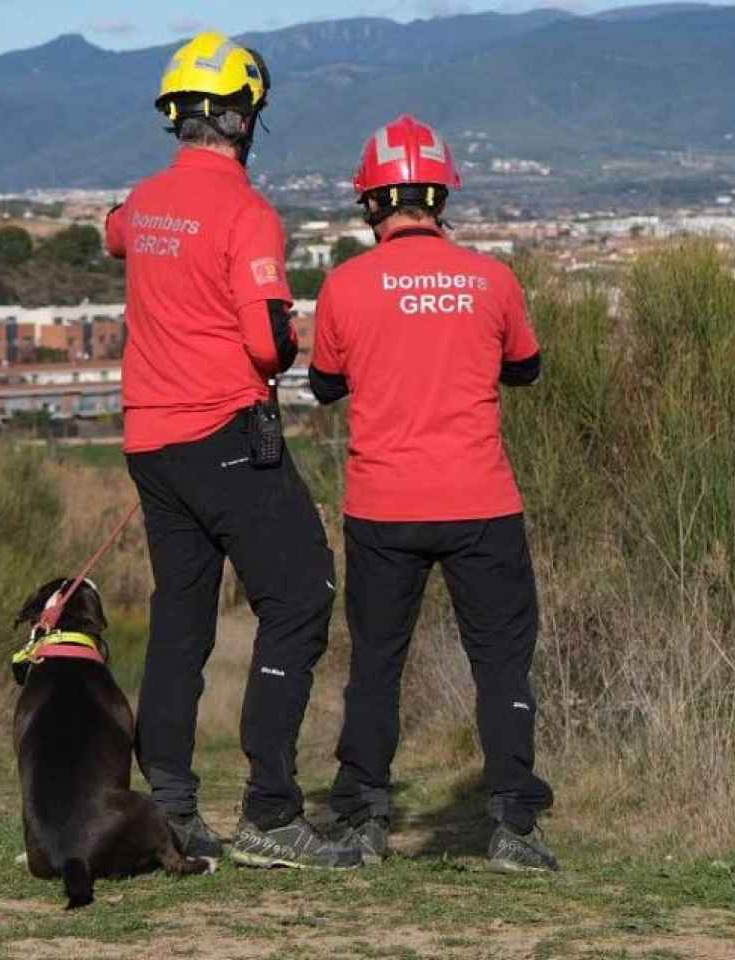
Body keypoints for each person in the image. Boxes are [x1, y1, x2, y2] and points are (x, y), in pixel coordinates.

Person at [103, 31, 357, 870]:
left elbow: (115, 233)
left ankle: (171, 805)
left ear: (176, 115)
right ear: (246, 120)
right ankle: (271, 811)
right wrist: (285, 339)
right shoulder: (249, 215)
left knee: (182, 617)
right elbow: (262, 346)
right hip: (223, 435)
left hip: (150, 441)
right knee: (301, 595)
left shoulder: (143, 202)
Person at [309, 115, 557, 873]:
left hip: (383, 507)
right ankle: (515, 824)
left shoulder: (345, 286)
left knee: (378, 667)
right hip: (482, 501)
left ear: (371, 204)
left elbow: (324, 386)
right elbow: (526, 368)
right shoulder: (493, 279)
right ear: (441, 193)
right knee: (502, 665)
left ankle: (362, 820)